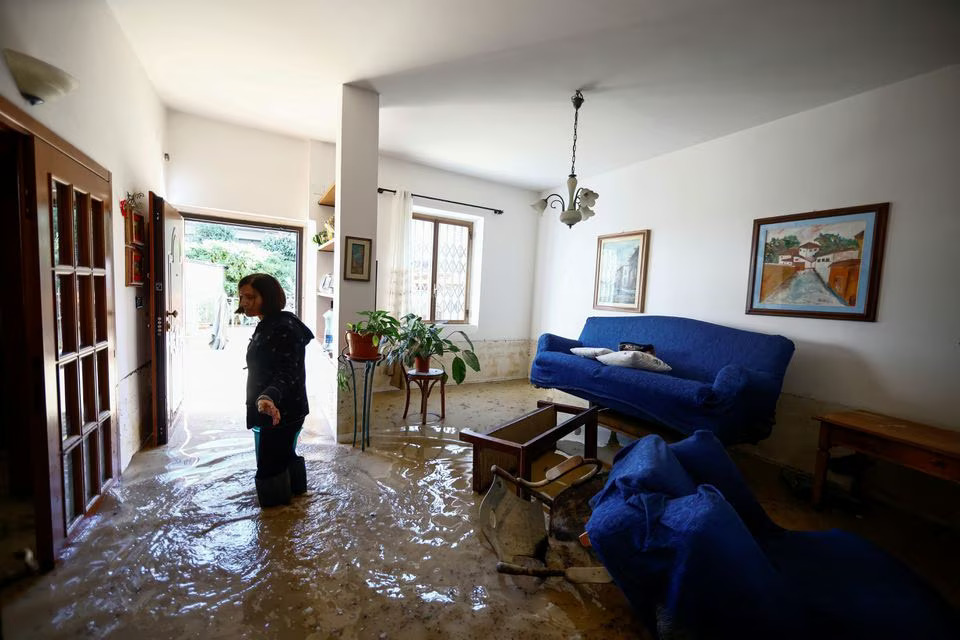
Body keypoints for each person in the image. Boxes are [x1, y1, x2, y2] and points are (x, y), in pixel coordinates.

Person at [237, 273, 314, 507]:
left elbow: (288, 372)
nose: (244, 302)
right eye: (241, 297)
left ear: (268, 297)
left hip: (281, 409)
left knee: (269, 468)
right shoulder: (269, 324)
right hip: (275, 405)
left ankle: (276, 524)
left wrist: (269, 396)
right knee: (284, 455)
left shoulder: (284, 328)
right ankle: (298, 503)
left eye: (251, 297)